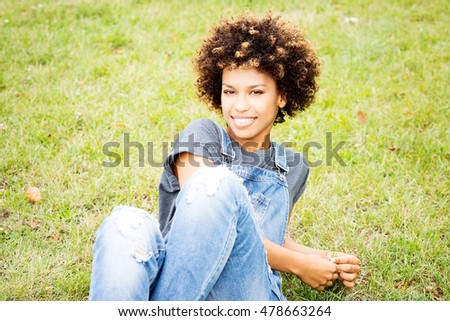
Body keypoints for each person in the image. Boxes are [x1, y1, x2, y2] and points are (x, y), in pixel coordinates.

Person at [89, 13, 360, 301]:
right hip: (181, 273)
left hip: (244, 292)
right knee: (126, 221)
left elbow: (259, 237)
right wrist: (300, 264)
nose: (240, 105)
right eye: (230, 91)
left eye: (256, 92)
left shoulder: (293, 167)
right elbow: (207, 221)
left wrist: (323, 260)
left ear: (282, 95)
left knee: (219, 186)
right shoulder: (202, 136)